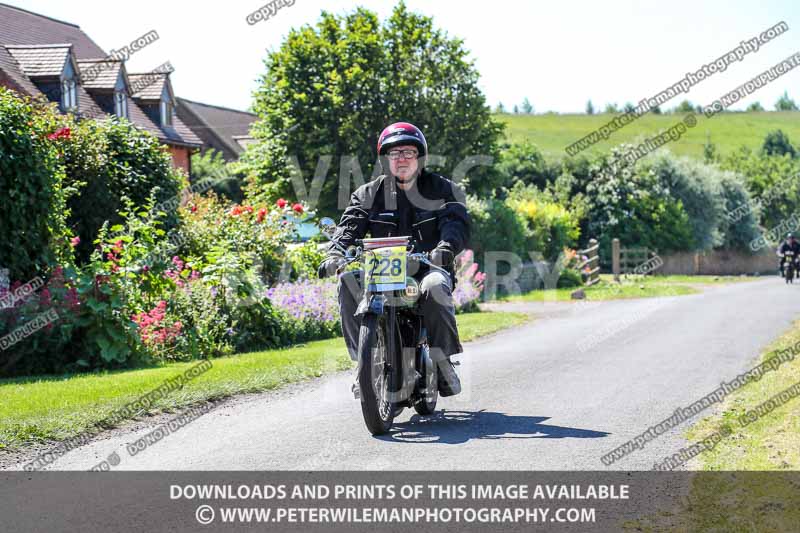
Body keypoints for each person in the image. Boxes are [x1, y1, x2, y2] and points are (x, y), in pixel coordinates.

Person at [317, 122, 469, 397]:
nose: (401, 158)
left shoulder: (442, 189)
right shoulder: (367, 194)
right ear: (386, 158)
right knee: (348, 280)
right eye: (395, 153)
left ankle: (443, 362)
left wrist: (446, 247)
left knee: (435, 286)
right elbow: (350, 226)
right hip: (379, 271)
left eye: (408, 152)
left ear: (419, 157)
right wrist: (336, 252)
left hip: (426, 268)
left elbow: (455, 223)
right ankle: (363, 366)